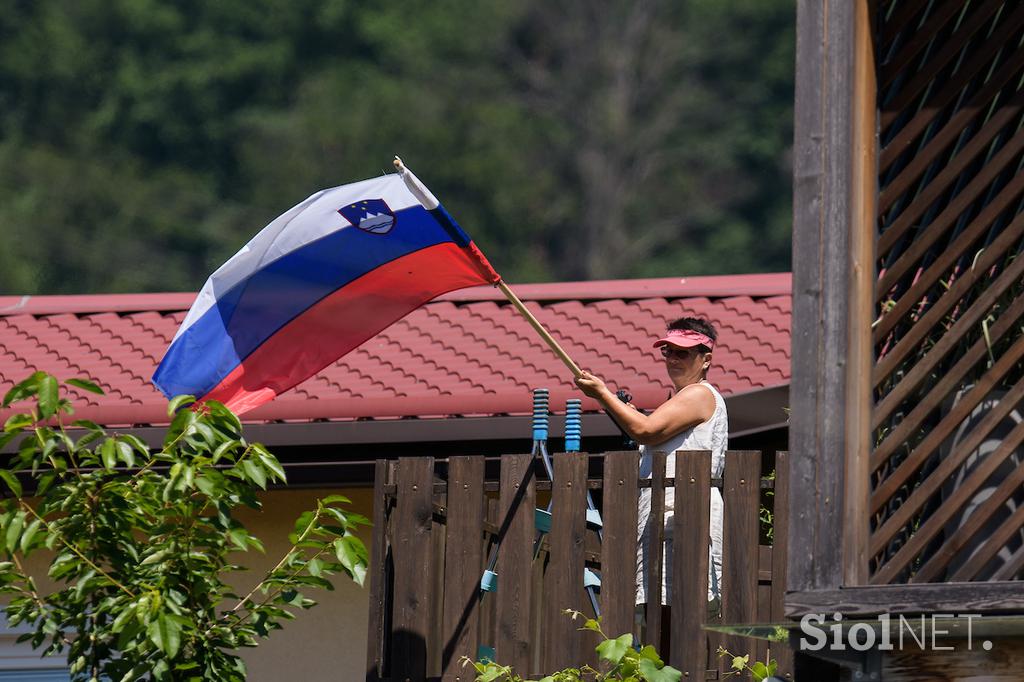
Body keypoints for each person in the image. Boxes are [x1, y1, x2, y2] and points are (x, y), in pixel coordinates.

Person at [574, 316, 728, 632]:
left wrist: (603, 394)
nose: (672, 358)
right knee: (664, 617)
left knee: (682, 616)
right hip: (670, 518)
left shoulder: (699, 394)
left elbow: (644, 429)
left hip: (685, 517)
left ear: (706, 359)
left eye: (682, 353)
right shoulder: (680, 398)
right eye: (668, 351)